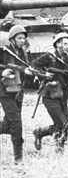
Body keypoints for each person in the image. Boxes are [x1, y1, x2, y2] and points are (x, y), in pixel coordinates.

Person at [32, 32, 68, 152]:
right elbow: (33, 66)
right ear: (57, 44)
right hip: (49, 95)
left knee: (64, 125)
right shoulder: (49, 57)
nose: (67, 46)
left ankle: (41, 132)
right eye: (65, 44)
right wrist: (44, 74)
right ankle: (59, 151)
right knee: (62, 123)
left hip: (63, 95)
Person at [0, 25, 32, 164]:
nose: (22, 40)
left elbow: (25, 68)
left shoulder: (23, 52)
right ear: (12, 39)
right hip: (4, 91)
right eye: (19, 38)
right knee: (17, 122)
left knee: (8, 125)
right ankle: (18, 157)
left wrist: (29, 72)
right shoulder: (3, 51)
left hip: (18, 90)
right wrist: (2, 72)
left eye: (24, 38)